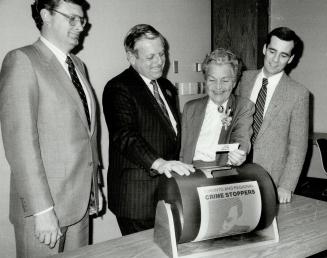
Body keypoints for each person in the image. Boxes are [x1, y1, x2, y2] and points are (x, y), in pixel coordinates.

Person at [0, 0, 100, 257]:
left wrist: (94, 186)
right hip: (45, 210)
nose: (80, 26)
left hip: (79, 205)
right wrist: (42, 211)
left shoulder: (78, 65)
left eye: (82, 20)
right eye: (72, 19)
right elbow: (20, 143)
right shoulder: (22, 60)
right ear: (46, 15)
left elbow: (86, 134)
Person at [102, 24, 194, 236]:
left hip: (166, 193)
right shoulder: (118, 88)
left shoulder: (167, 87)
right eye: (150, 57)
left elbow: (171, 136)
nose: (160, 61)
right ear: (131, 57)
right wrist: (160, 163)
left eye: (161, 54)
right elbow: (124, 136)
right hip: (136, 199)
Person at [235, 27, 309, 204]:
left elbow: (298, 146)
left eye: (283, 55)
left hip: (272, 178)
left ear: (291, 59)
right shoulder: (242, 79)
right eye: (272, 51)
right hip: (236, 172)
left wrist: (287, 186)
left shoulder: (299, 93)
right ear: (264, 49)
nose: (275, 60)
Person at [180, 48, 254, 167]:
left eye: (225, 80)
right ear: (205, 81)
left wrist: (240, 154)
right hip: (190, 171)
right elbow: (182, 151)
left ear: (234, 82)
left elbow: (241, 137)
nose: (218, 87)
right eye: (212, 80)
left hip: (222, 172)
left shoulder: (243, 106)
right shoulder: (190, 108)